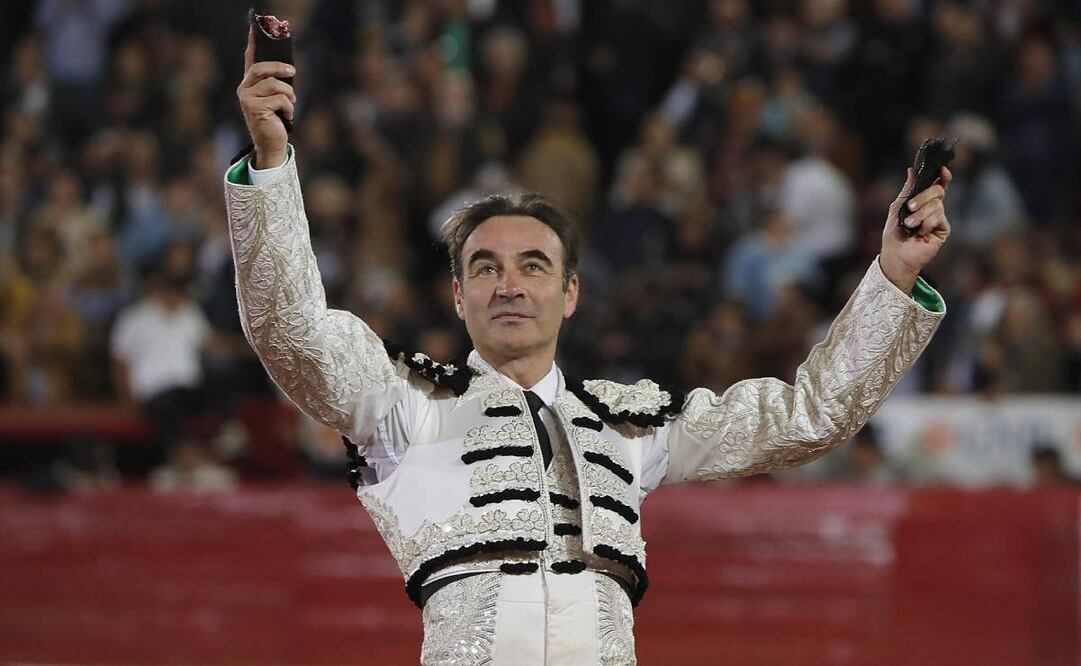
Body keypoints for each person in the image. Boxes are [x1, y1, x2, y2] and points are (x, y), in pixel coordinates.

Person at [226, 29, 950, 665]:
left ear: (569, 294)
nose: (509, 285)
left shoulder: (628, 427)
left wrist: (893, 274)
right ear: (457, 298)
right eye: (485, 268)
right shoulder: (404, 409)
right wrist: (270, 160)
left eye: (532, 266)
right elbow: (289, 331)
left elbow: (808, 418)